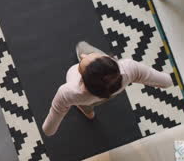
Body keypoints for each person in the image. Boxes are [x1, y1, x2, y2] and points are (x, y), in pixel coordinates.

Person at [42, 41, 173, 136]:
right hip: (111, 93)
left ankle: (88, 112)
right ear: (111, 61)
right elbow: (166, 81)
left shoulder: (69, 92)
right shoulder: (129, 68)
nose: (83, 56)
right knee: (86, 49)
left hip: (85, 100)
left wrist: (48, 130)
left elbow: (50, 126)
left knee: (86, 104)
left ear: (83, 81)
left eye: (81, 66)